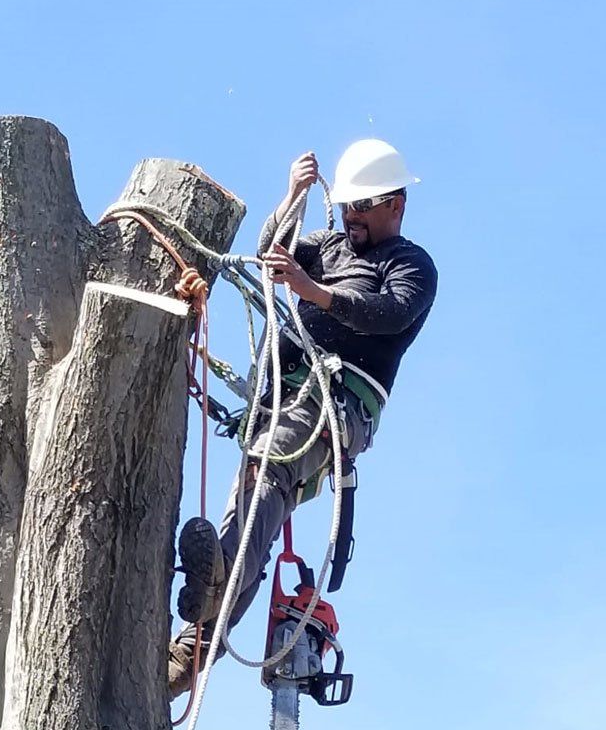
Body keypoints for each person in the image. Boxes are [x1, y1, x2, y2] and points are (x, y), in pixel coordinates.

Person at [168, 138, 438, 698]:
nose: (352, 217)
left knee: (271, 468)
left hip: (339, 402)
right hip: (285, 393)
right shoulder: (326, 244)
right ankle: (198, 645)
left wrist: (312, 292)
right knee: (258, 489)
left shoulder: (411, 265)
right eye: (346, 206)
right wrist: (292, 194)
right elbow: (274, 250)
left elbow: (387, 315)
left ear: (397, 205)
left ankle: (218, 583)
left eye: (364, 207)